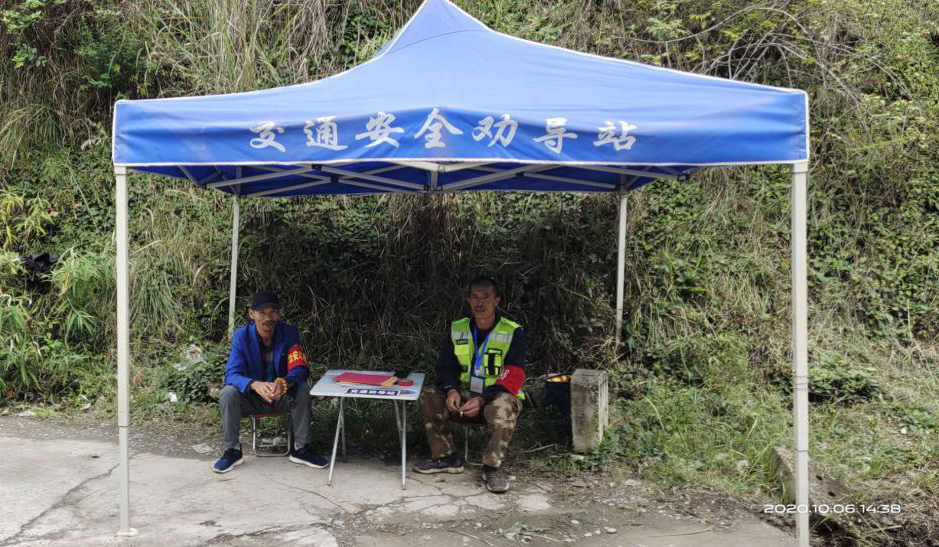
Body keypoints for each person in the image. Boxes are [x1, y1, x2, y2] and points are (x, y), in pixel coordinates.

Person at [414, 275, 526, 493]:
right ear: (468, 300)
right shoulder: (458, 329)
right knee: (429, 395)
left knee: (504, 406)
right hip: (465, 397)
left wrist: (483, 399)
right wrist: (451, 390)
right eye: (475, 297)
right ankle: (447, 457)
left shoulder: (513, 332)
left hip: (494, 397)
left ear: (497, 301)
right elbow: (445, 367)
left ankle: (492, 467)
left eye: (486, 297)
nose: (479, 303)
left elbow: (514, 376)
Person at [213, 290, 327, 473]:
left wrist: (284, 383)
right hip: (252, 399)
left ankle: (301, 448)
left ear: (279, 314)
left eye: (273, 312)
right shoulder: (241, 336)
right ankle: (231, 450)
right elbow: (231, 375)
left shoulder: (289, 333)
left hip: (282, 397)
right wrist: (254, 384)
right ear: (252, 314)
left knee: (303, 388)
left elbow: (300, 368)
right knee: (228, 392)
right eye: (262, 312)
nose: (268, 318)